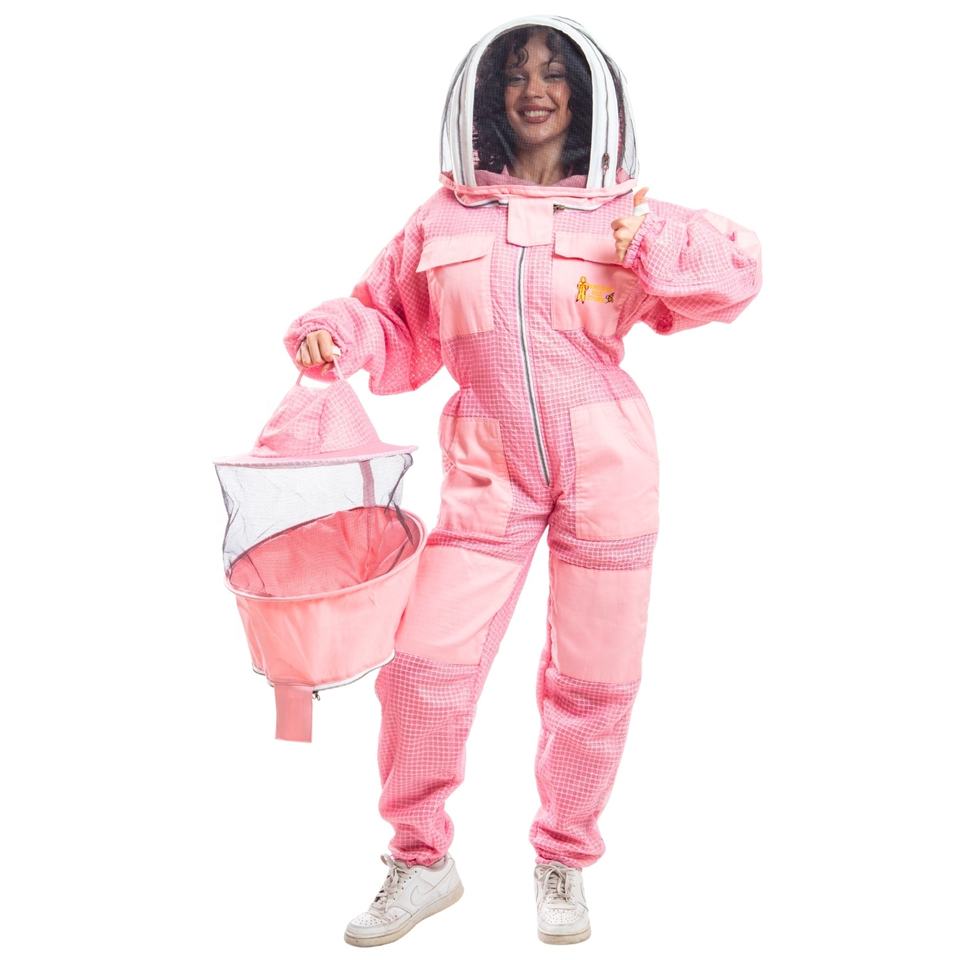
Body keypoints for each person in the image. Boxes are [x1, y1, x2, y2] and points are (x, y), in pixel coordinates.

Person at [284, 15, 762, 947]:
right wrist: (335, 336)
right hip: (487, 461)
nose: (535, 90)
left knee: (594, 676)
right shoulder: (445, 216)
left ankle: (564, 859)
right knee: (423, 668)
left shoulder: (623, 208)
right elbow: (390, 318)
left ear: (584, 96)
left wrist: (651, 243)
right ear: (489, 96)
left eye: (553, 74)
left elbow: (734, 278)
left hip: (609, 461)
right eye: (516, 74)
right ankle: (421, 859)